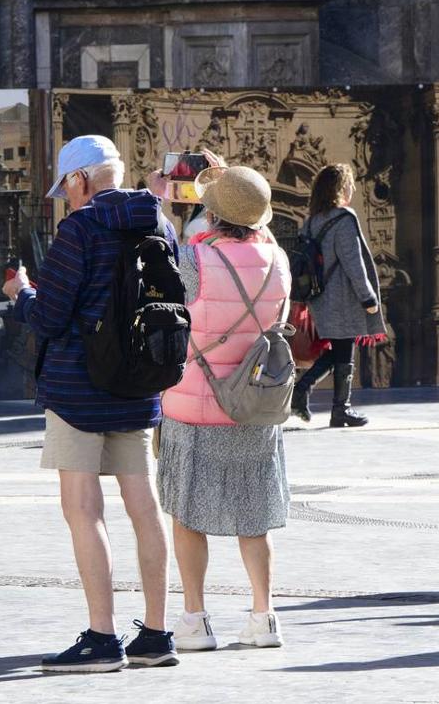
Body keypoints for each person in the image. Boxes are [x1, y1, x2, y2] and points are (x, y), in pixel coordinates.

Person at [2, 135, 177, 672]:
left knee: (83, 509)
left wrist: (21, 293)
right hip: (139, 385)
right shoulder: (160, 223)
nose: (65, 198)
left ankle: (102, 639)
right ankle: (155, 633)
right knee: (144, 507)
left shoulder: (78, 229)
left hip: (79, 390)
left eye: (66, 187)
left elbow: (51, 317)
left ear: (80, 180)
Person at [154, 161, 293, 651]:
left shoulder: (192, 261)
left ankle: (195, 620)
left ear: (211, 214)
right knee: (253, 517)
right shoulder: (279, 260)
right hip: (254, 403)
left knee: (188, 514)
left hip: (193, 406)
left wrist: (161, 203)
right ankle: (264, 616)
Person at [290, 164, 384, 428]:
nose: (353, 188)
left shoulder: (312, 222)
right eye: (350, 184)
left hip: (319, 297)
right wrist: (367, 298)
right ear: (341, 188)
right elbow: (353, 262)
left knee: (340, 350)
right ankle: (335, 407)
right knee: (344, 350)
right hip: (341, 295)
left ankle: (323, 401)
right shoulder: (343, 219)